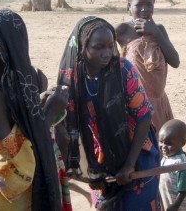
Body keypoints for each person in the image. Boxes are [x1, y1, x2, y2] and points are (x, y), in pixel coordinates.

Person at [57, 16, 160, 210]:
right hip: (98, 158)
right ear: (82, 46)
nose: (106, 53)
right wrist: (91, 171)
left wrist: (129, 165)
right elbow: (70, 130)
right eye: (98, 47)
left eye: (110, 45)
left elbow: (144, 117)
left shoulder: (122, 70)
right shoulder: (73, 80)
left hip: (136, 152)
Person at [0, 9, 69, 210]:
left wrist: (37, 101)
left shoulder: (17, 82)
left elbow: (21, 126)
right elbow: (10, 170)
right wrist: (48, 113)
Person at [115, 0, 180, 134]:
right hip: (136, 101)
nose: (144, 9)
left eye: (149, 4)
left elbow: (175, 61)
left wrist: (155, 32)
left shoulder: (159, 29)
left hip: (159, 100)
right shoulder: (122, 30)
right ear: (128, 6)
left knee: (163, 144)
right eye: (139, 5)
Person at [159, 119, 186, 211]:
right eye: (161, 142)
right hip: (167, 201)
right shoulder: (166, 157)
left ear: (182, 143)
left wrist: (176, 205)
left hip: (177, 207)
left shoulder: (181, 163)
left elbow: (184, 188)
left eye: (169, 143)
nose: (163, 146)